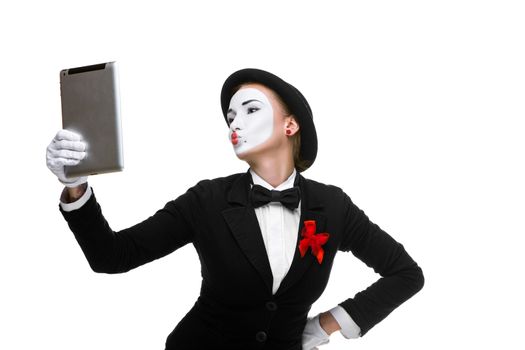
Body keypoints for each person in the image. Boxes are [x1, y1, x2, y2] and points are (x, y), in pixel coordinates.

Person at [46, 68, 424, 350]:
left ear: (290, 125)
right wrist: (75, 185)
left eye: (250, 110)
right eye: (230, 117)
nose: (234, 124)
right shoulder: (207, 200)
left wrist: (328, 324)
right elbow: (113, 256)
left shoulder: (333, 206)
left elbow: (406, 274)